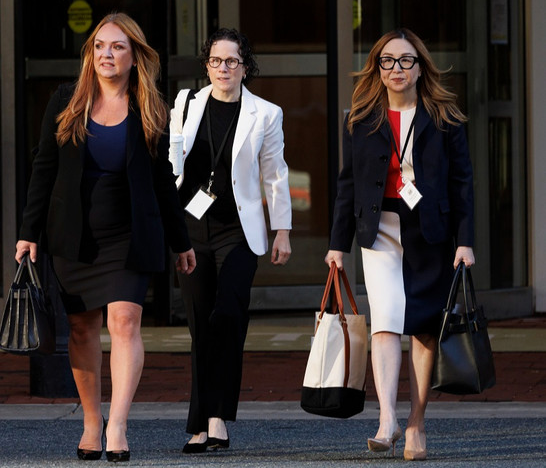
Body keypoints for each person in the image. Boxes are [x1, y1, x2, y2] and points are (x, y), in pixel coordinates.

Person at [15, 12, 196, 463]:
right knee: (81, 328)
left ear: (134, 55)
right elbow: (43, 169)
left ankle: (117, 424)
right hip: (74, 236)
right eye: (99, 46)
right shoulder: (65, 100)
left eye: (116, 47)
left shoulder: (150, 107)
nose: (106, 55)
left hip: (129, 234)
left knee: (125, 323)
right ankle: (91, 421)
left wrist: (181, 240)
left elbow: (162, 180)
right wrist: (27, 233)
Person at [325, 28, 475, 461]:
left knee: (425, 326)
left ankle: (417, 423)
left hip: (431, 232)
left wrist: (464, 241)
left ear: (420, 66)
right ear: (377, 67)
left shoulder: (445, 117)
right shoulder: (360, 118)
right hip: (380, 230)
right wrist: (338, 243)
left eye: (406, 60)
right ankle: (387, 419)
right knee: (386, 320)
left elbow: (463, 184)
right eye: (387, 60)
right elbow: (347, 185)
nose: (396, 68)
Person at [168, 28, 292, 454]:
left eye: (232, 61)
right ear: (207, 66)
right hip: (191, 229)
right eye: (217, 61)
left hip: (239, 231)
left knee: (229, 316)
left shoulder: (266, 114)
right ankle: (204, 423)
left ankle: (217, 414)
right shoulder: (185, 104)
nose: (224, 68)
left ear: (245, 66)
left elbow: (275, 174)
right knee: (200, 324)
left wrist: (283, 230)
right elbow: (172, 168)